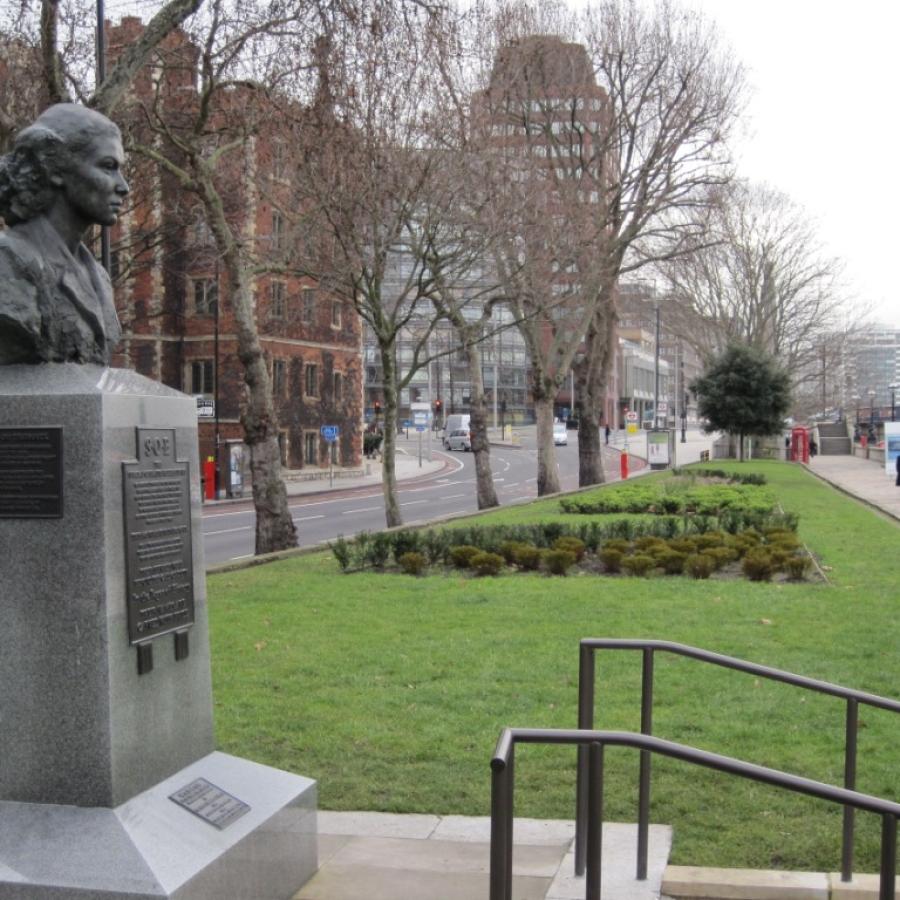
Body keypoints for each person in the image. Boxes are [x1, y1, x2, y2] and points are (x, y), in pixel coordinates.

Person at [0, 104, 129, 365]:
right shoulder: (8, 261)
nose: (123, 186)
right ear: (56, 169)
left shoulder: (99, 276)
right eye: (107, 166)